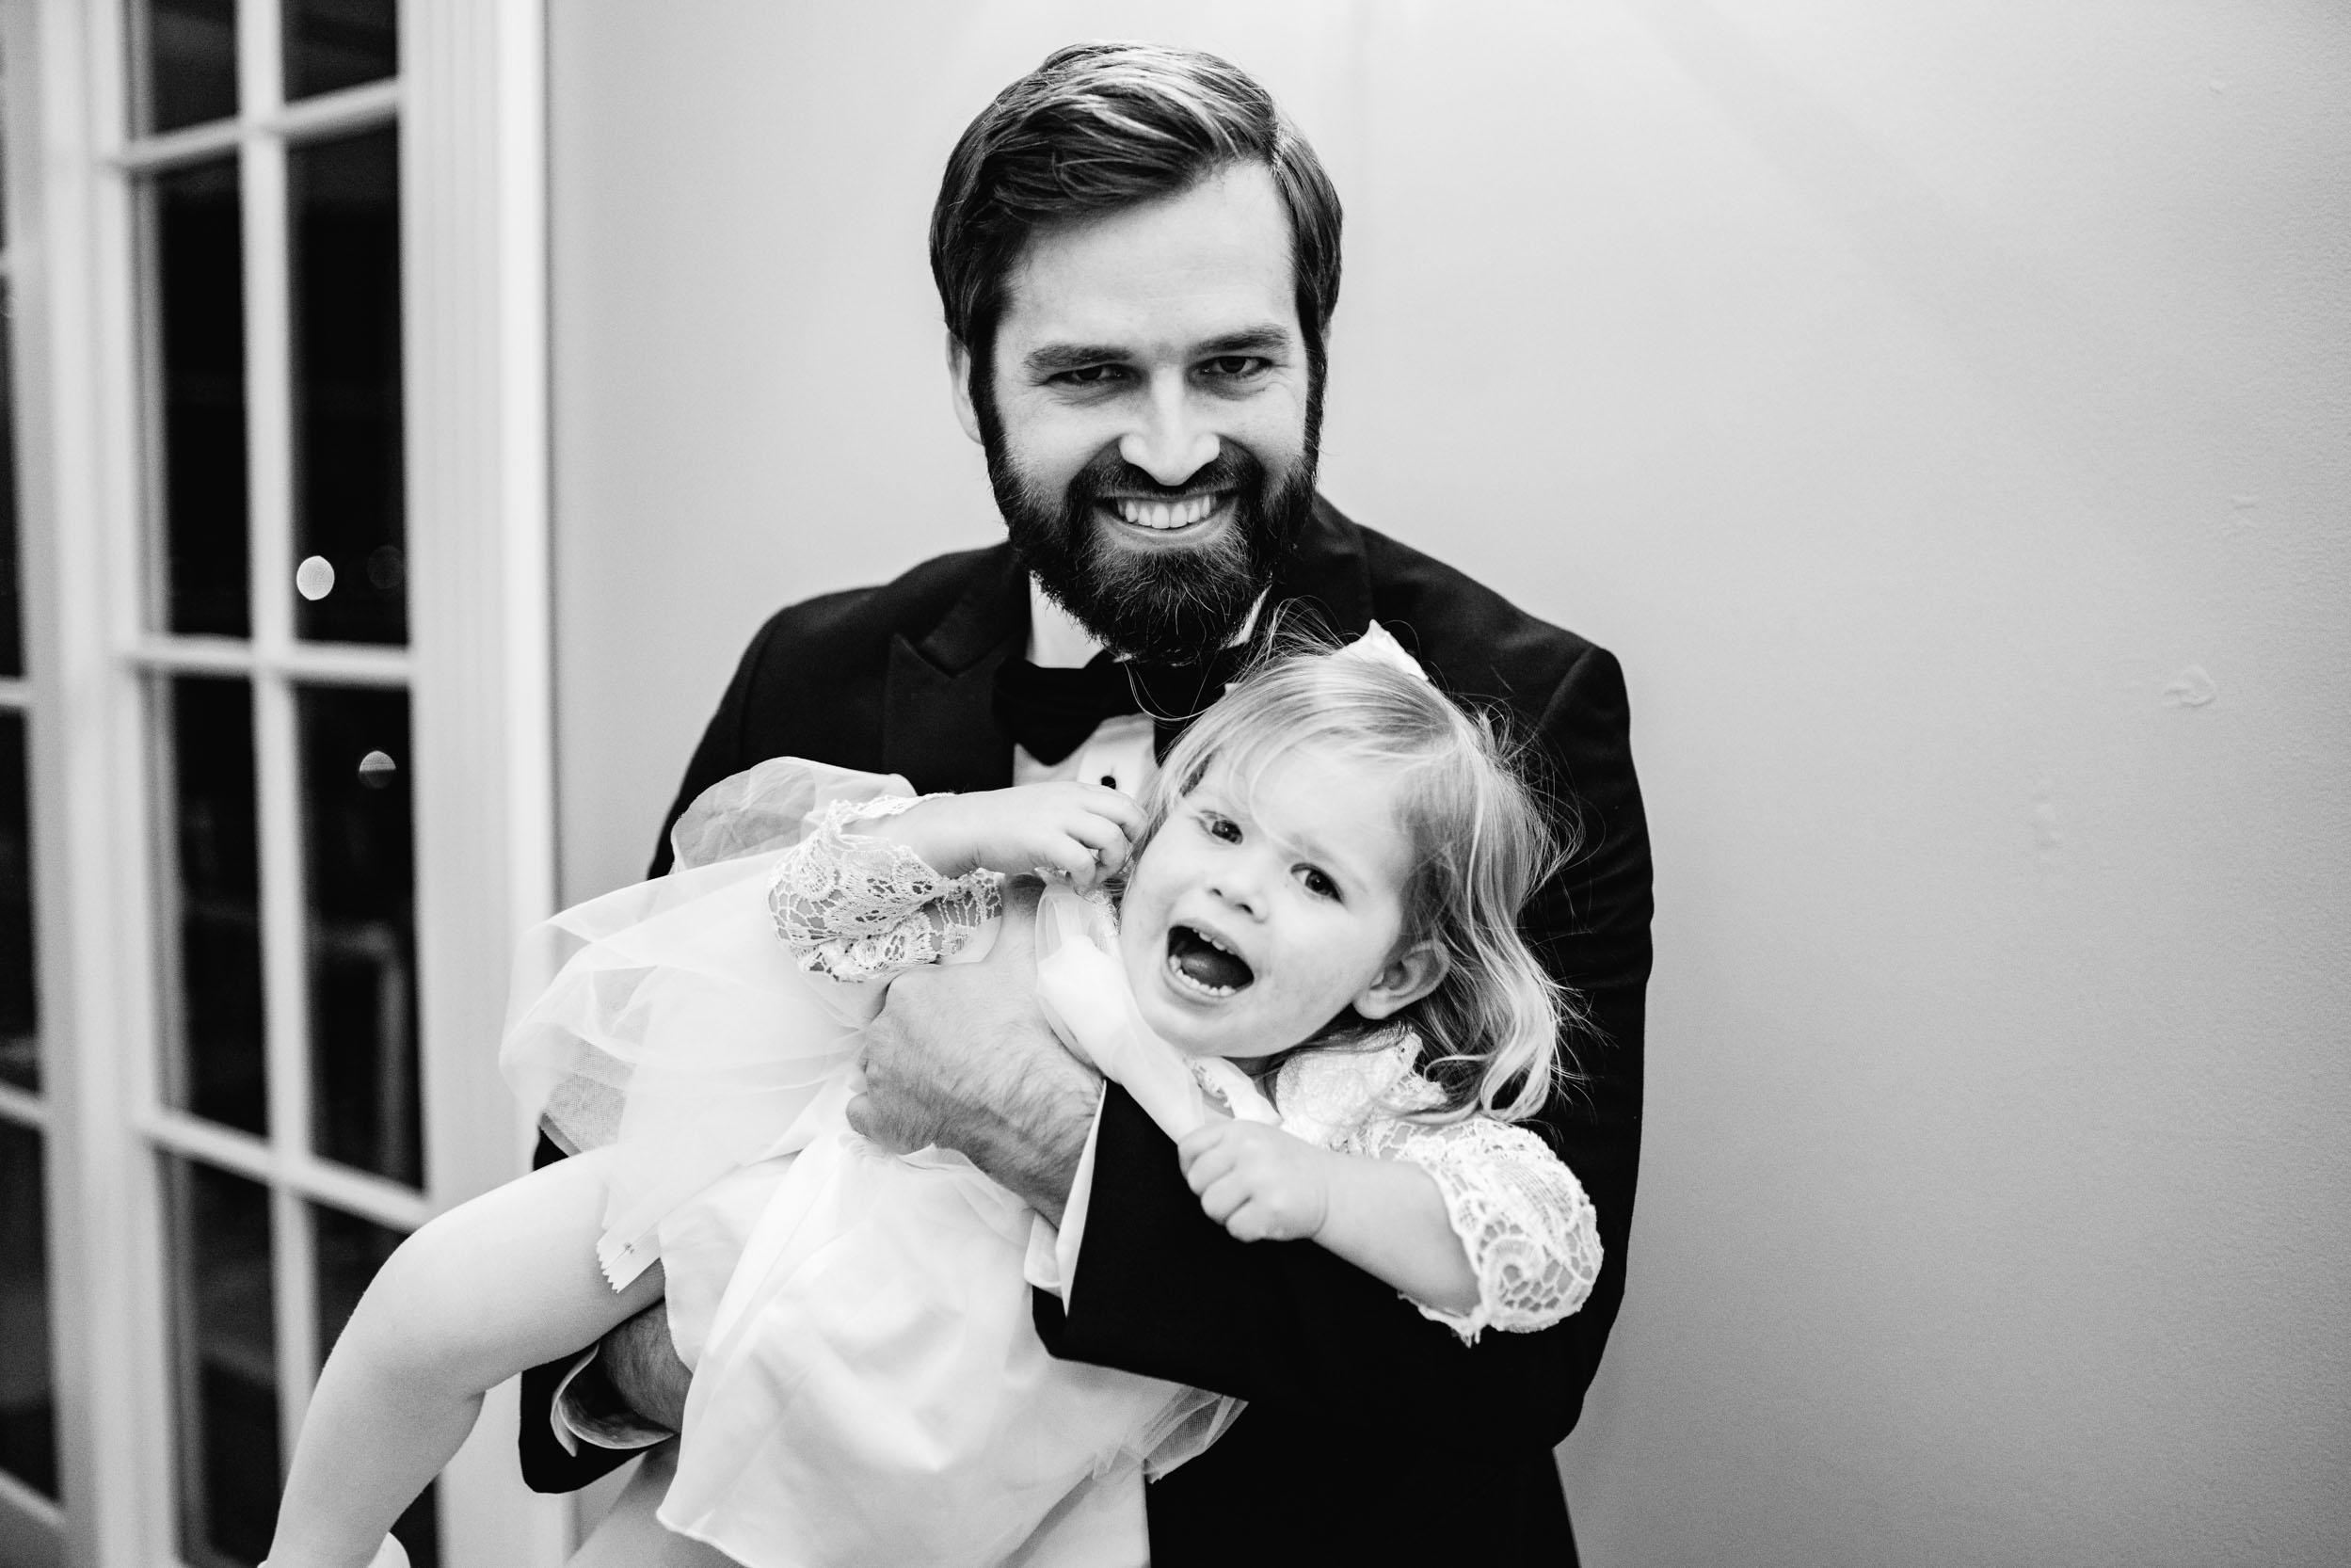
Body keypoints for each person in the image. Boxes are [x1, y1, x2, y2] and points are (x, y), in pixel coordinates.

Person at [531, 40, 1654, 1568]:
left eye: (1235, 365)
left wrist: (1050, 1135)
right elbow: (602, 1174)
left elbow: (1526, 1361)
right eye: (1088, 373)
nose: (1175, 446)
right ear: (970, 379)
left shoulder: (1515, 716)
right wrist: (686, 1353)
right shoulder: (808, 677)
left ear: (1312, 354)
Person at [261, 636, 1603, 1568]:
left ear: (1401, 969)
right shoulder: (1057, 902)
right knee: (438, 1287)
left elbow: (1535, 1249)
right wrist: (966, 828)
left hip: (999, 1469)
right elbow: (794, 913)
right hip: (764, 1231)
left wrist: (1329, 1190)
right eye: (1226, 829)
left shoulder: (1344, 1096)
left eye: (1319, 882)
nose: (1247, 886)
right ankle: (313, 1547)